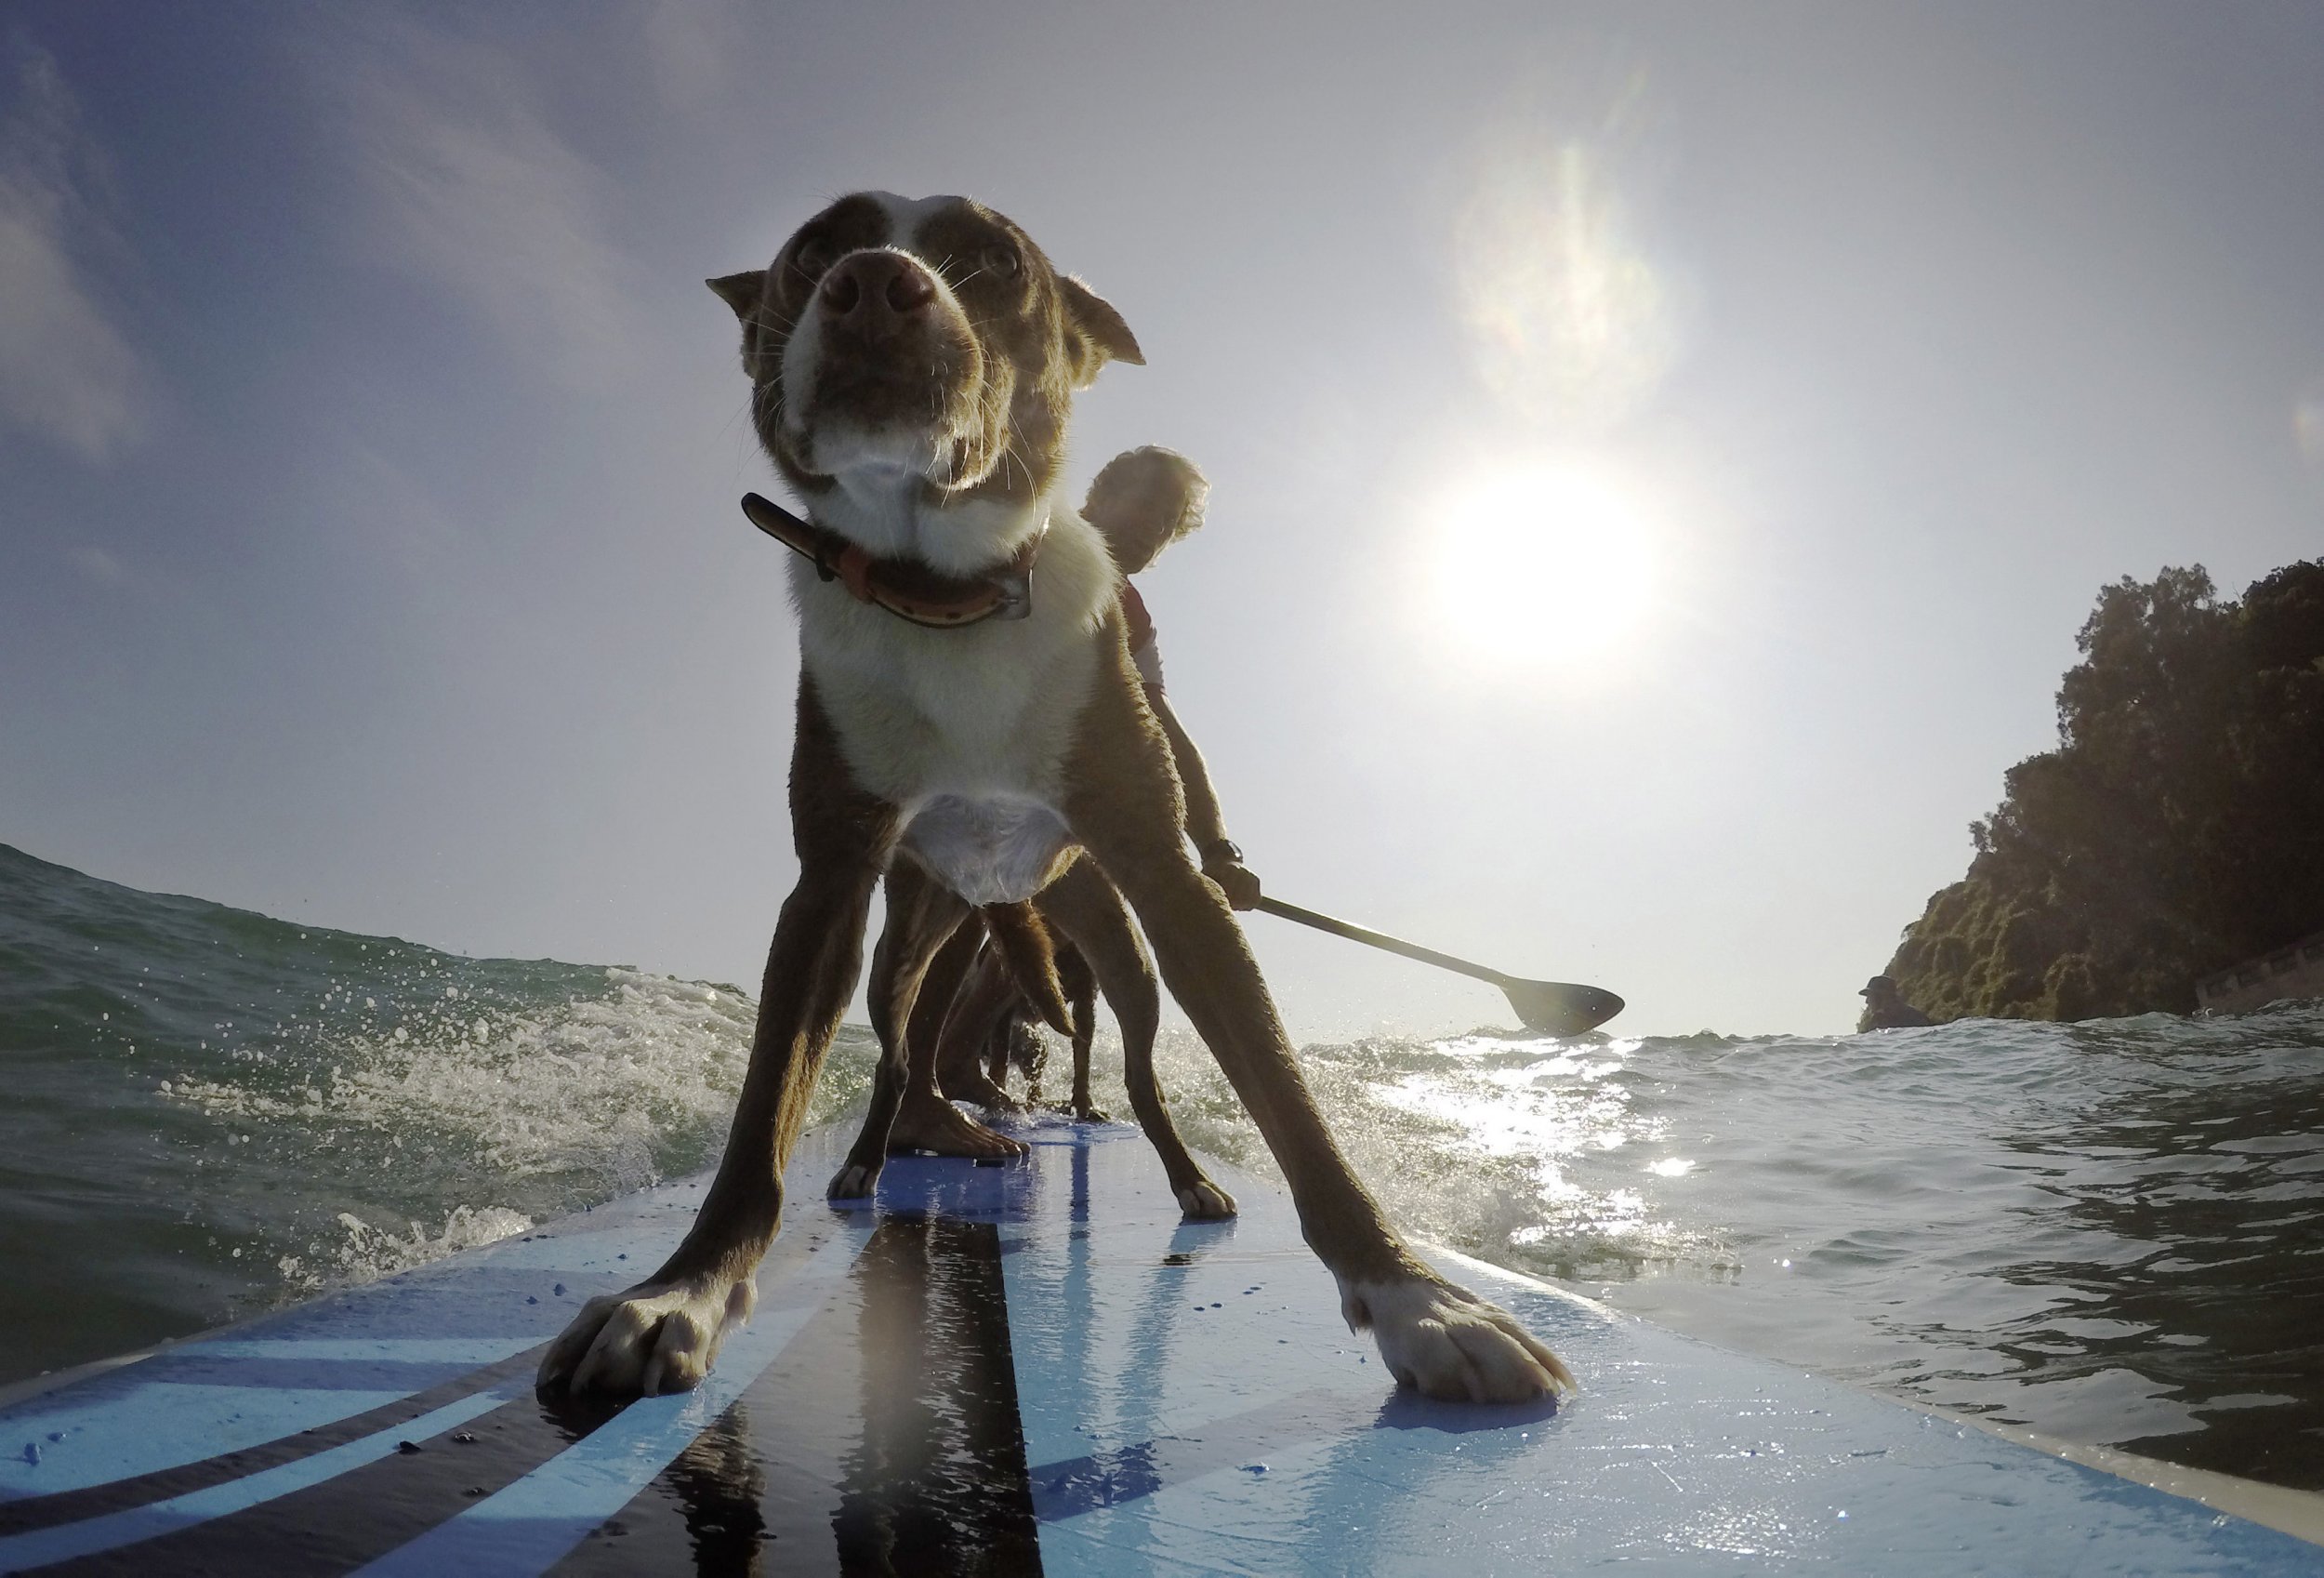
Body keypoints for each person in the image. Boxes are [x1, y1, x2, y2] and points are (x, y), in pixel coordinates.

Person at [1858, 974, 1935, 1030]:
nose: (1867, 1001)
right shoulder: (1878, 1020)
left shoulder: (1914, 1017)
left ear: (1882, 996)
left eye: (1870, 996)